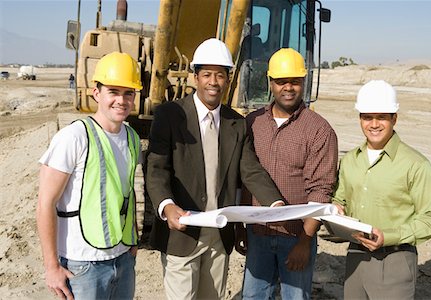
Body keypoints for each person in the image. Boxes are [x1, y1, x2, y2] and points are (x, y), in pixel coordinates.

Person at [146, 38, 284, 300]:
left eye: (220, 75)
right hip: (182, 232)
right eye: (207, 74)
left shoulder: (236, 123)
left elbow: (250, 169)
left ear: (227, 80)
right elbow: (156, 168)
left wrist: (274, 202)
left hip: (218, 235)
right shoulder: (170, 115)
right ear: (195, 77)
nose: (213, 82)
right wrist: (166, 205)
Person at [36, 52, 143, 300]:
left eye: (129, 93)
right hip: (82, 265)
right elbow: (45, 203)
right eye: (113, 92)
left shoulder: (132, 138)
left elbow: (127, 192)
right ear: (96, 93)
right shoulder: (74, 137)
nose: (121, 100)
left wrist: (133, 240)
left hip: (123, 259)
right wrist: (52, 266)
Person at [235, 48, 338, 299]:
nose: (288, 88)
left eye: (295, 81)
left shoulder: (319, 131)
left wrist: (305, 241)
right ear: (271, 83)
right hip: (257, 234)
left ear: (304, 82)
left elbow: (321, 190)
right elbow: (241, 177)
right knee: (253, 296)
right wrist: (239, 227)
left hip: (296, 236)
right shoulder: (252, 123)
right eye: (281, 81)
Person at [332, 80, 431, 299]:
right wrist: (338, 208)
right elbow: (341, 198)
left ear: (394, 118)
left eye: (382, 117)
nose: (374, 124)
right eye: (367, 117)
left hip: (395, 261)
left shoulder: (415, 164)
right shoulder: (349, 161)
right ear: (360, 118)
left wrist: (391, 236)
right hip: (356, 257)